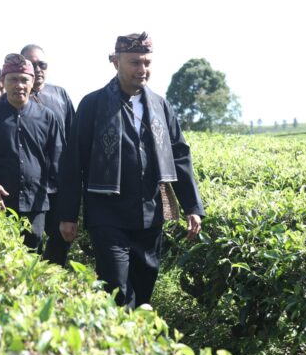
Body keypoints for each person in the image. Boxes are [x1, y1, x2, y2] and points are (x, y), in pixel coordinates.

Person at [58, 32, 204, 308]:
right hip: (106, 211)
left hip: (149, 211)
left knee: (144, 286)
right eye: (135, 63)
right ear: (115, 62)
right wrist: (67, 214)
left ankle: (138, 343)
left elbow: (180, 155)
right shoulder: (92, 104)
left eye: (147, 63)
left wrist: (192, 206)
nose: (142, 70)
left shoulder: (160, 105)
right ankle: (115, 343)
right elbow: (73, 160)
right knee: (115, 286)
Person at [0, 54, 64, 252]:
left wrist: (59, 202)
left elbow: (58, 161)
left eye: (24, 79)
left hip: (35, 204)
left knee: (32, 255)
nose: (19, 85)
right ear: (3, 82)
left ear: (32, 82)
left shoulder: (47, 117)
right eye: (13, 79)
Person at [21, 44, 76, 267]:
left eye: (42, 64)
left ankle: (50, 280)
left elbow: (73, 134)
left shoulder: (60, 94)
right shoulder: (15, 98)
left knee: (62, 236)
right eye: (32, 64)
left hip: (59, 181)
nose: (38, 69)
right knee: (30, 240)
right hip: (29, 182)